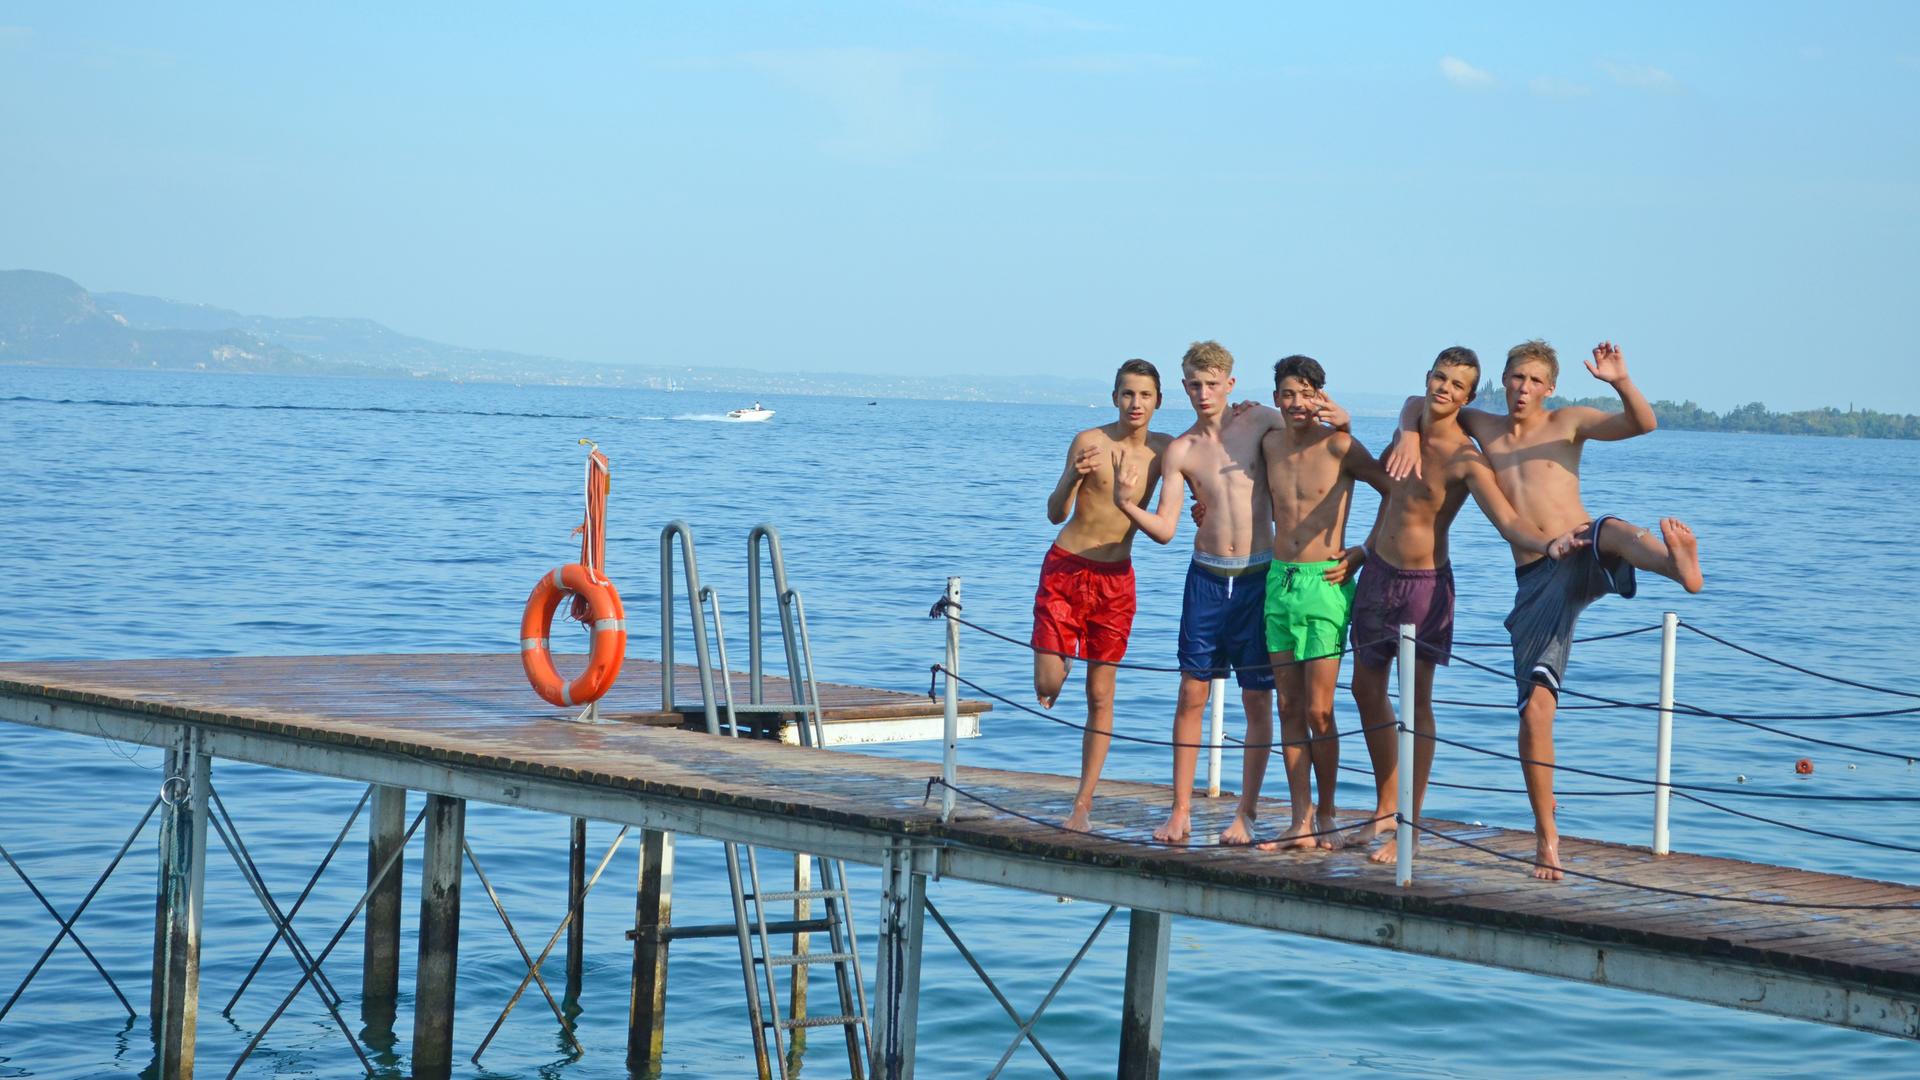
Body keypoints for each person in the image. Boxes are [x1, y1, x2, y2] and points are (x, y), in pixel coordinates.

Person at [1386, 340, 1703, 880]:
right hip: (1537, 575)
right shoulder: (1482, 425)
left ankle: (1677, 567)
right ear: (1503, 381)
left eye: (1535, 381)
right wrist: (1409, 434)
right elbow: (1421, 403)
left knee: (1613, 529)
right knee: (1535, 713)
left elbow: (1643, 423)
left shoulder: (1567, 422)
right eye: (1517, 378)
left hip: (1580, 548)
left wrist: (1620, 381)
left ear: (1550, 387)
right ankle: (1547, 840)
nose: (1524, 389)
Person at [1355, 347, 1584, 866]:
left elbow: (1507, 520)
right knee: (1364, 690)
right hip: (1377, 574)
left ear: (1469, 397)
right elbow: (1391, 489)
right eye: (1440, 378)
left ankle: (1410, 826)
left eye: (1457, 386)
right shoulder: (1407, 425)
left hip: (1423, 585)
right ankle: (1385, 808)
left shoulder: (1466, 458)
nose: (1445, 389)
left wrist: (1548, 544)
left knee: (1416, 704)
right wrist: (1365, 548)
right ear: (1428, 377)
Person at [1113, 340, 1289, 844]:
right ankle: (1180, 811)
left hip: (1257, 576)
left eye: (1213, 384)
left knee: (1257, 701)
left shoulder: (1261, 421)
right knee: (1192, 693)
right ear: (1184, 387)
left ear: (1230, 384)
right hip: (1207, 580)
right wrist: (1127, 504)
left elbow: (1310, 438)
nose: (1204, 393)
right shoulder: (1182, 449)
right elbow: (1166, 529)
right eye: (1195, 384)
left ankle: (1246, 814)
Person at [1243, 356, 1390, 852]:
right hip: (1279, 580)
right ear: (1276, 398)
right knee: (1288, 706)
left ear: (1322, 397)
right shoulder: (1269, 443)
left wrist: (1364, 550)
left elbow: (1393, 491)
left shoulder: (1340, 445)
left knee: (1319, 710)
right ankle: (1299, 821)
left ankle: (1327, 814)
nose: (1297, 403)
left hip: (1325, 582)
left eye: (1307, 393)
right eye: (1288, 394)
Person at [1033, 359, 1173, 831]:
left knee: (1100, 693)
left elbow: (1202, 480)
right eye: (1127, 394)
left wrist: (1201, 509)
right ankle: (1062, 658)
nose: (1136, 403)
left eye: (1145, 395)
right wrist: (1072, 477)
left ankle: (1083, 803)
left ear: (1158, 401)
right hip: (1066, 569)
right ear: (1114, 397)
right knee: (1047, 686)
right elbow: (1055, 513)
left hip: (1116, 580)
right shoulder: (1089, 441)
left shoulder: (1163, 451)